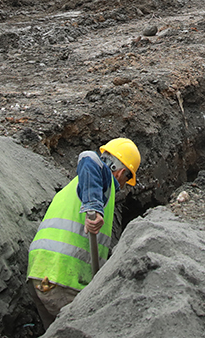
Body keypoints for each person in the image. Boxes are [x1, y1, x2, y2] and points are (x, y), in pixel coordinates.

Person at [26, 137, 141, 329]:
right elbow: (88, 158)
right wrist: (93, 206)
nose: (123, 186)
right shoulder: (105, 179)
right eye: (126, 179)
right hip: (64, 280)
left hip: (39, 274)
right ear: (121, 172)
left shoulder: (72, 188)